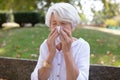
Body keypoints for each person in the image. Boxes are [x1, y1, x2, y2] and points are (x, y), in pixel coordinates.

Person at [31, 2, 90, 80]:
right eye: (54, 23)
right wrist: (51, 54)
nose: (58, 28)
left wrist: (67, 52)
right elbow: (38, 78)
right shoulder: (46, 45)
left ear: (72, 26)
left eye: (63, 23)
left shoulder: (82, 46)